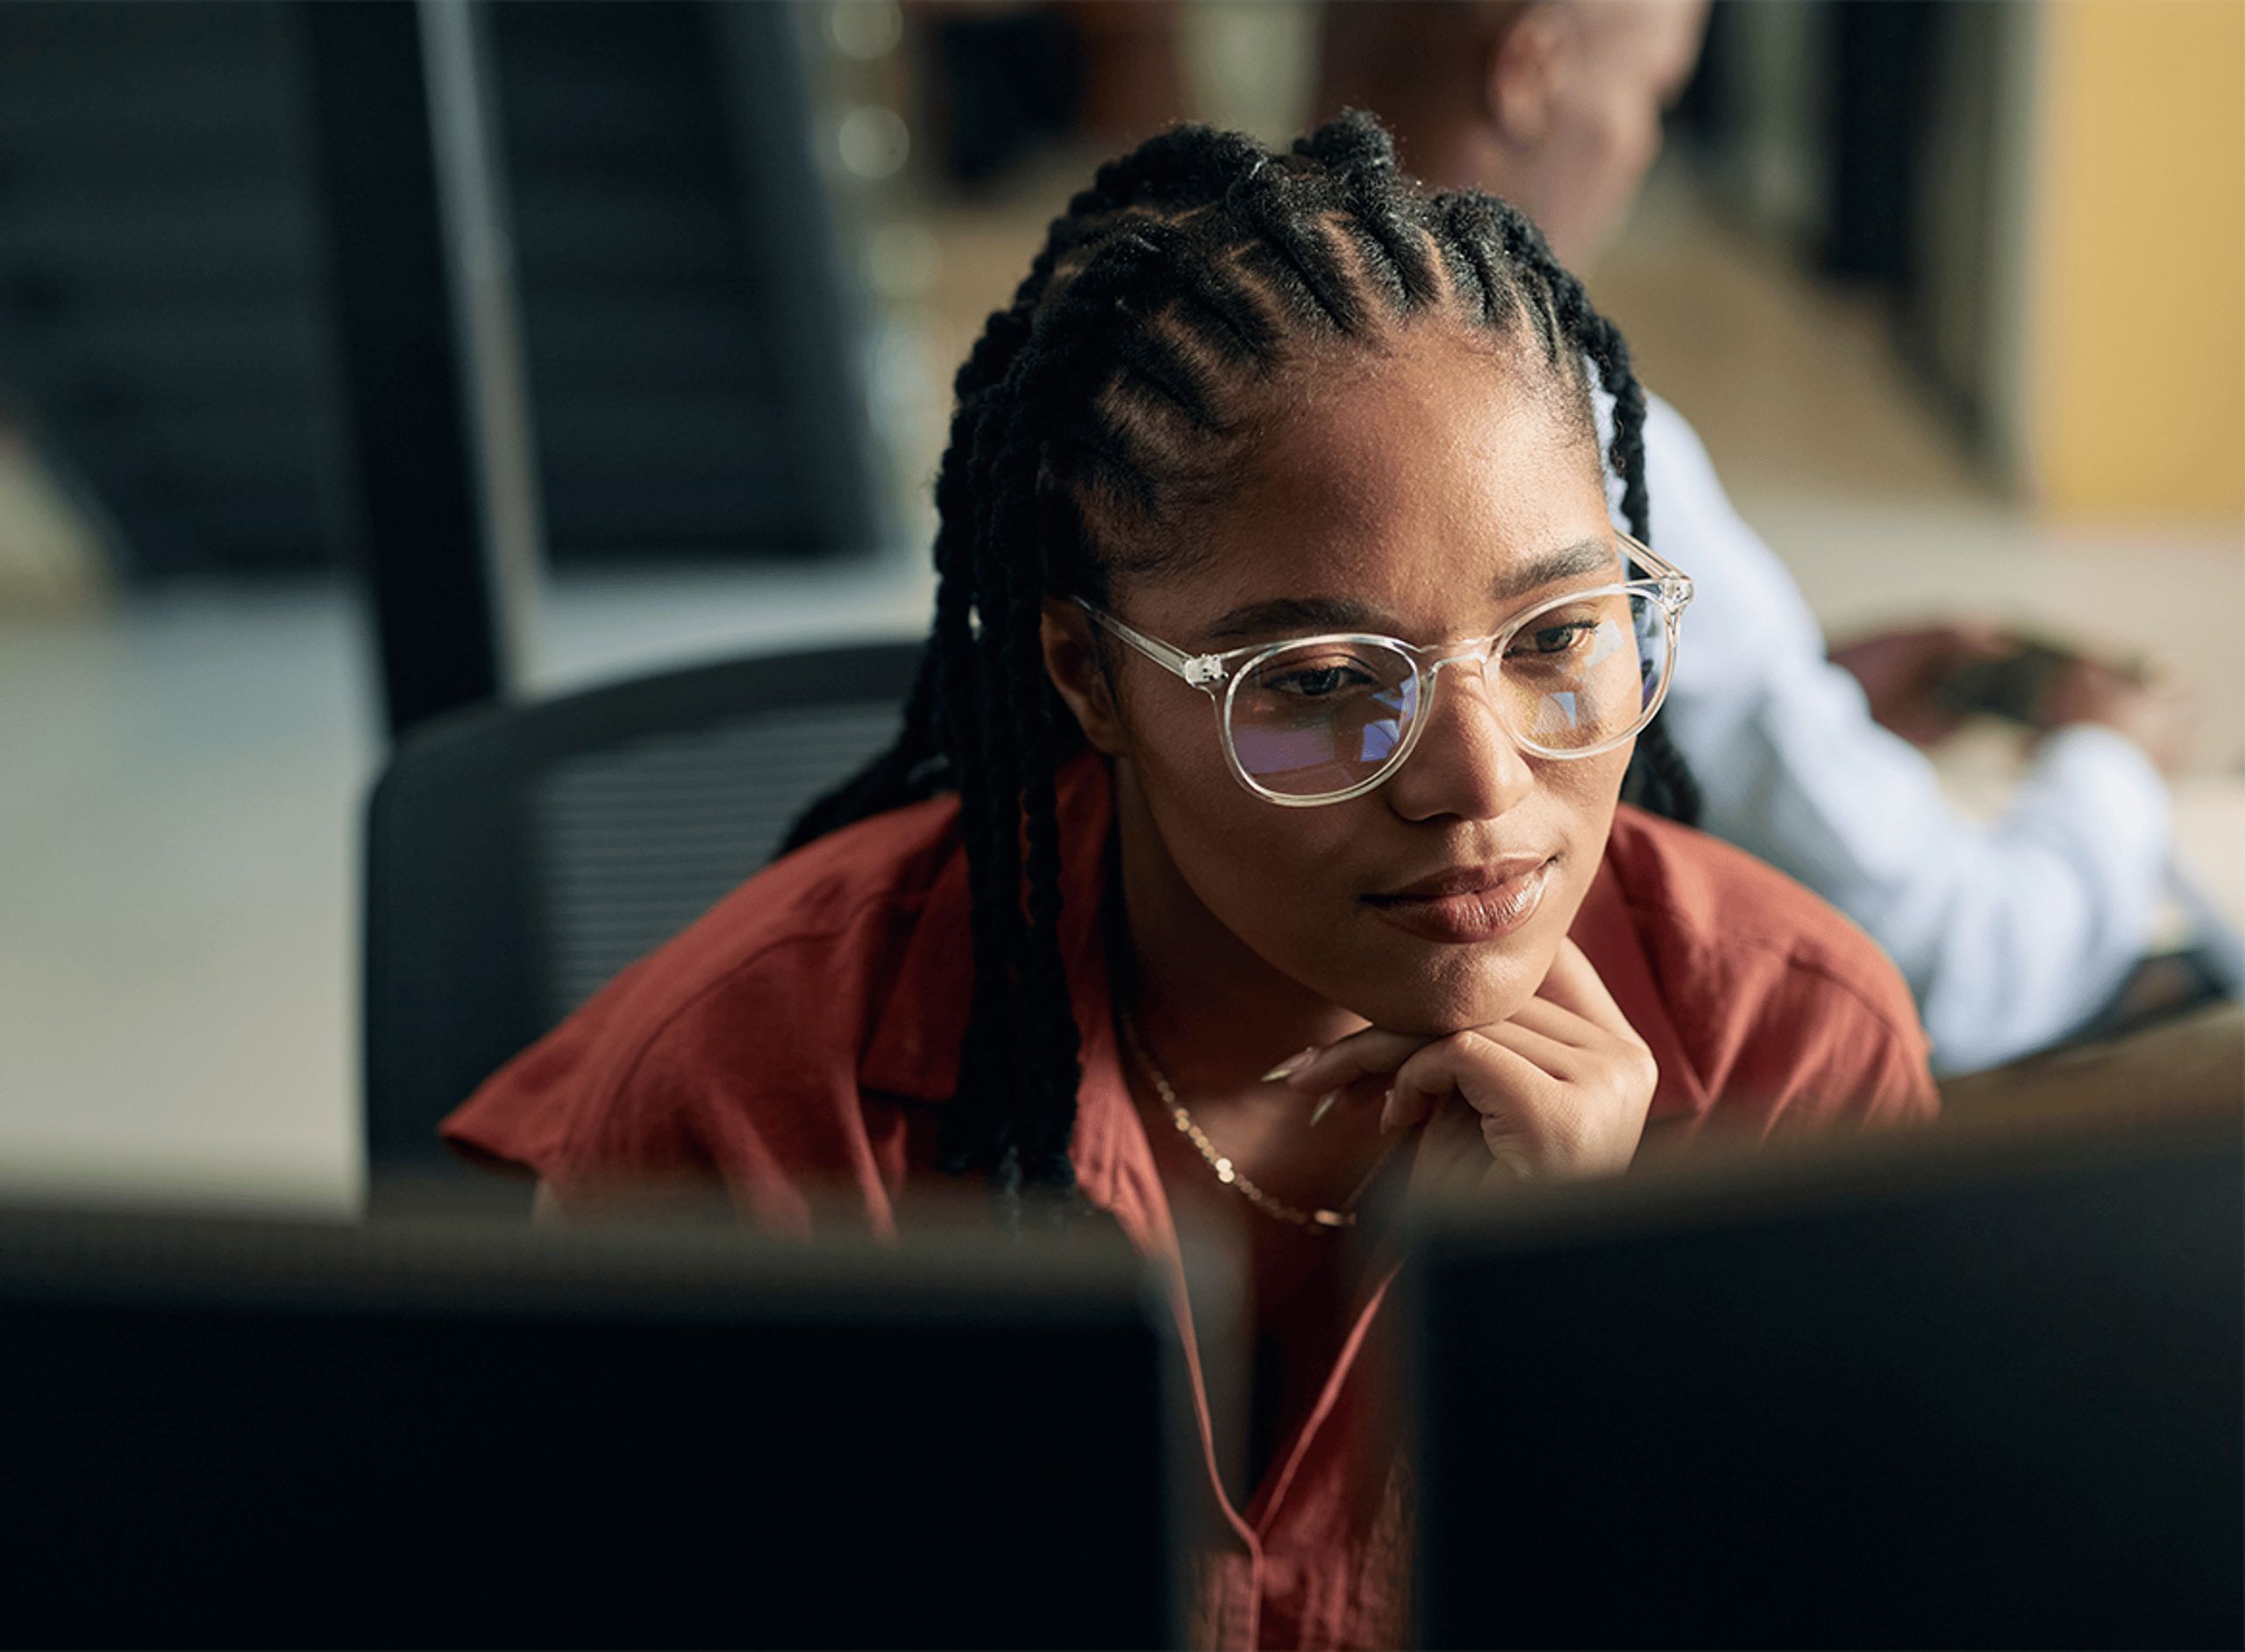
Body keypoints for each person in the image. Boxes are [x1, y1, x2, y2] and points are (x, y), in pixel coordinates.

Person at [443, 116, 1937, 1648]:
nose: (1480, 782)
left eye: (1557, 636)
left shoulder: (1790, 1057)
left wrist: (1569, 1314)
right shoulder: (759, 1104)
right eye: (1326, 678)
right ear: (1090, 676)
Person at [1316, 0, 2177, 1073]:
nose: (1639, 147)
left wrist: (1804, 693)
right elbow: (1946, 960)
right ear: (1530, 71)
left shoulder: (1179, 356)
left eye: (1555, 641)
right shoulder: (1557, 435)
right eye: (1651, 95)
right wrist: (2110, 767)